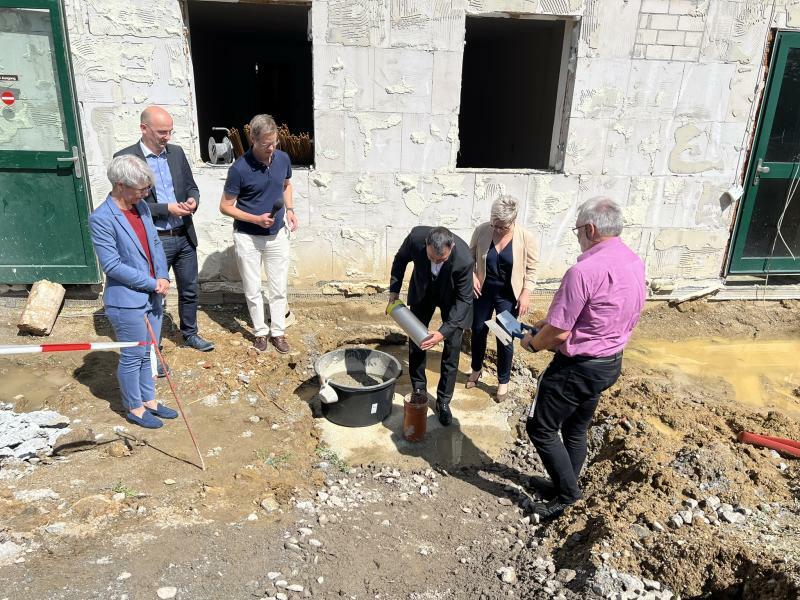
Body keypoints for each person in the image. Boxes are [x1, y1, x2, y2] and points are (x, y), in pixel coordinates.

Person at [520, 196, 646, 521]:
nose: (577, 236)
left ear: (589, 228)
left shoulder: (582, 271)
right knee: (576, 429)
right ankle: (564, 482)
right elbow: (596, 315)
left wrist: (532, 344)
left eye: (577, 230)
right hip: (609, 362)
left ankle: (567, 494)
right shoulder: (634, 261)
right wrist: (546, 326)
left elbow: (559, 334)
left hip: (575, 368)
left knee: (541, 427)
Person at [115, 106, 215, 356]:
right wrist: (167, 209)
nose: (167, 137)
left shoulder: (176, 154)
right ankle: (153, 348)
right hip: (154, 241)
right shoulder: (126, 159)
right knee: (154, 296)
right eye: (161, 132)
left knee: (190, 289)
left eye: (170, 132)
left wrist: (193, 201)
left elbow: (192, 187)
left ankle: (190, 333)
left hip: (183, 236)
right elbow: (129, 203)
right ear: (143, 128)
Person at [88, 155, 178, 429]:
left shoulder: (142, 209)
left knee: (148, 352)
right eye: (141, 189)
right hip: (126, 301)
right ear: (120, 185)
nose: (146, 193)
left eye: (147, 188)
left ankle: (149, 400)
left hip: (153, 295)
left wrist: (162, 275)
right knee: (133, 356)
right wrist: (151, 283)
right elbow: (112, 265)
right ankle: (134, 407)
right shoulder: (101, 218)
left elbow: (155, 244)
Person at [219, 114, 298, 354]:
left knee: (278, 287)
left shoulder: (282, 158)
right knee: (253, 288)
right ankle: (260, 332)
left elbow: (286, 184)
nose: (271, 148)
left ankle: (279, 332)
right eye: (266, 144)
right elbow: (225, 206)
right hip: (248, 237)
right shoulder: (239, 169)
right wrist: (256, 219)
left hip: (277, 235)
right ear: (253, 139)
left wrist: (291, 210)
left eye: (274, 142)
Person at [388, 226, 473, 426]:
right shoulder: (416, 238)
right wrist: (394, 290)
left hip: (451, 297)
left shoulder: (464, 261)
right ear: (425, 244)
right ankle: (419, 388)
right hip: (423, 289)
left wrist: (442, 333)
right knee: (417, 339)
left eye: (441, 260)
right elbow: (400, 260)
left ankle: (443, 401)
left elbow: (464, 301)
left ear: (451, 248)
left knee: (452, 348)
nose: (435, 262)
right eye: (431, 258)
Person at [468, 195, 538, 402]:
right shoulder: (482, 230)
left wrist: (526, 292)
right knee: (478, 330)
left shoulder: (526, 237)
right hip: (483, 292)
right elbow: (469, 257)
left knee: (504, 336)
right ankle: (476, 369)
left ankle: (503, 381)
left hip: (508, 296)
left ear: (513, 221)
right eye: (494, 224)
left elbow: (532, 268)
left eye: (502, 227)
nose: (496, 229)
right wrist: (471, 275)